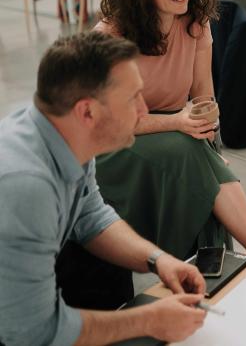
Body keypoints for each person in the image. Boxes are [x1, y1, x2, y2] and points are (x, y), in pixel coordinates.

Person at [0, 32, 209, 345]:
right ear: (87, 112)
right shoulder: (26, 187)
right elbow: (34, 333)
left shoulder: (65, 133)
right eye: (133, 98)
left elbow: (91, 216)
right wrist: (149, 320)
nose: (144, 110)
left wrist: (157, 259)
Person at [95, 0, 246, 260]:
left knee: (191, 152)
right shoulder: (110, 34)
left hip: (177, 134)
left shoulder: (195, 23)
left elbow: (204, 98)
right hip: (114, 145)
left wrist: (211, 146)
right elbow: (109, 123)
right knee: (184, 149)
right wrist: (177, 123)